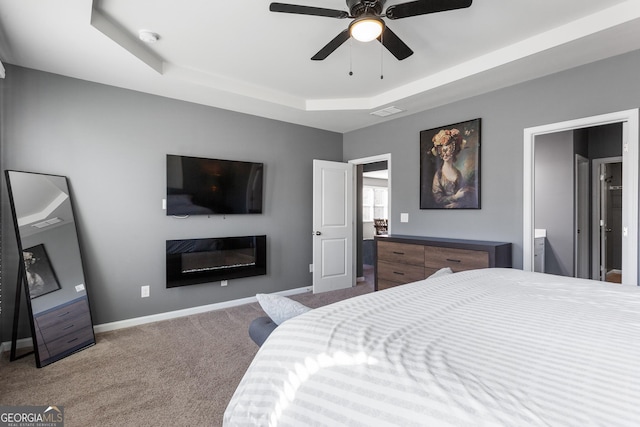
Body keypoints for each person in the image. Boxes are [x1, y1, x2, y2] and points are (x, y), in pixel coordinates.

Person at [430, 128, 475, 208]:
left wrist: (458, 205)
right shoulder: (439, 175)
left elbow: (463, 196)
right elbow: (438, 199)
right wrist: (455, 197)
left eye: (448, 150)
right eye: (442, 150)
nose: (445, 154)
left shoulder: (458, 173)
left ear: (454, 151)